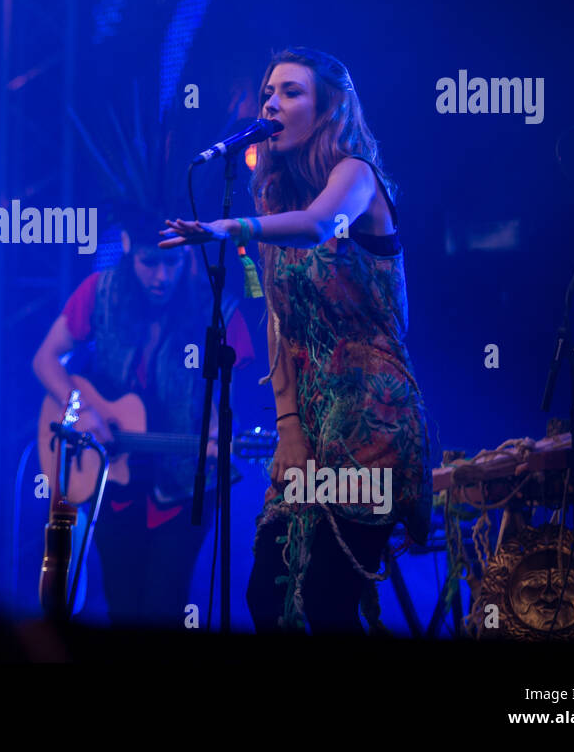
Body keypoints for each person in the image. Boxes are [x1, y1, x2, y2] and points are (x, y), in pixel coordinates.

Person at [160, 47, 432, 634]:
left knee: (327, 602)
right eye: (267, 92)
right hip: (308, 419)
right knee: (268, 595)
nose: (271, 102)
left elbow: (320, 226)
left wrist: (228, 226)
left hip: (372, 416)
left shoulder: (357, 176)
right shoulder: (271, 197)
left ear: (328, 108)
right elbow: (277, 320)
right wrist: (288, 429)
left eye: (290, 92)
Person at [33, 207, 254, 625]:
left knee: (163, 605)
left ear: (187, 255)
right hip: (114, 477)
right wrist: (80, 413)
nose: (161, 277)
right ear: (129, 250)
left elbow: (229, 405)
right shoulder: (101, 291)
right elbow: (46, 360)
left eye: (172, 262)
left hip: (184, 482)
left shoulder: (218, 308)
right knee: (122, 602)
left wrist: (217, 435)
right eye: (149, 263)